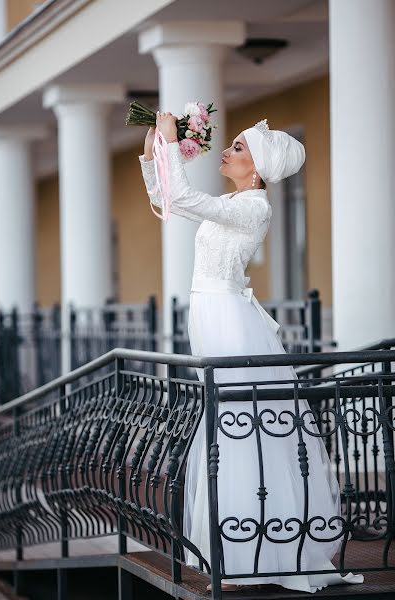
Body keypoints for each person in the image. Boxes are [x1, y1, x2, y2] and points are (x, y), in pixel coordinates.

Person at [138, 112, 364, 594]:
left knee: (240, 429)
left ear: (256, 168)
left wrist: (174, 147)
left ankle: (257, 550)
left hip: (227, 319)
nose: (227, 150)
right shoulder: (232, 201)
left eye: (238, 148)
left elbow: (180, 196)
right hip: (212, 314)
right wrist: (153, 150)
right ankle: (236, 546)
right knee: (229, 426)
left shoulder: (255, 207)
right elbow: (166, 199)